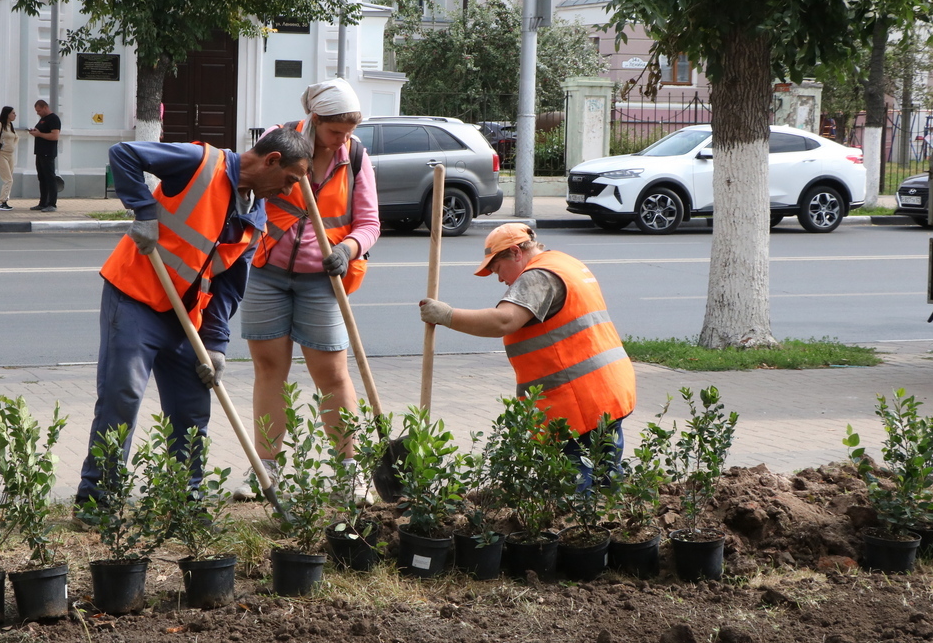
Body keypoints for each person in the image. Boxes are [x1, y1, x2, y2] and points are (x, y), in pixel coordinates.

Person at [74, 127, 313, 513]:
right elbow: (124, 153)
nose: (287, 192)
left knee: (191, 410)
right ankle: (98, 501)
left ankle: (184, 503)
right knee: (123, 395)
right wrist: (144, 212)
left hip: (187, 316)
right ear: (271, 161)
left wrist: (216, 346)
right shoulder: (201, 162)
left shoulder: (255, 216)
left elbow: (230, 284)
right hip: (135, 295)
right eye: (288, 180)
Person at [235, 78, 380, 500]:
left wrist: (349, 248)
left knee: (332, 376)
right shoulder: (278, 140)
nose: (342, 141)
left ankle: (348, 473)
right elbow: (244, 185)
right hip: (267, 272)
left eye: (349, 133)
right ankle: (266, 469)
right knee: (269, 371)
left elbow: (369, 223)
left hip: (324, 280)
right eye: (336, 132)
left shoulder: (354, 156)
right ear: (315, 120)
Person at [417, 222, 636, 486]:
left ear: (515, 252)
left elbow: (503, 321)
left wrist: (447, 315)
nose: (499, 278)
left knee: (577, 493)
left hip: (579, 402)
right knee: (607, 482)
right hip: (607, 390)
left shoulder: (538, 276)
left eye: (498, 268)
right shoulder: (565, 263)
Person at [26, 100, 61, 212]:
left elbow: (55, 136)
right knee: (42, 178)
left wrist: (39, 134)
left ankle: (52, 204)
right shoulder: (43, 119)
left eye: (39, 110)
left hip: (48, 152)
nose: (38, 113)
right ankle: (43, 202)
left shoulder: (53, 119)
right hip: (40, 152)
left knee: (50, 178)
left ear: (45, 107)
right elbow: (42, 132)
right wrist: (36, 132)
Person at [0, 106, 19, 210]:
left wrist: (13, 147)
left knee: (10, 178)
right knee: (8, 180)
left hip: (10, 155)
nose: (15, 115)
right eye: (13, 113)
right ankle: (1, 203)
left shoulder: (10, 125)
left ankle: (6, 201)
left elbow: (16, 137)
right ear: (7, 114)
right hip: (2, 155)